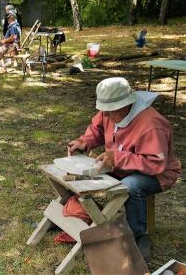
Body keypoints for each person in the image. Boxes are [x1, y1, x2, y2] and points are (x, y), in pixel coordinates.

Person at [68, 77, 181, 262]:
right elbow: (97, 129)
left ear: (126, 104)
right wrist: (84, 142)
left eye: (111, 112)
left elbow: (155, 164)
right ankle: (75, 217)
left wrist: (118, 158)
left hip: (159, 174)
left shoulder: (151, 124)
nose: (107, 115)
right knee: (77, 170)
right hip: (123, 165)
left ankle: (137, 236)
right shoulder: (109, 110)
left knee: (131, 186)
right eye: (104, 111)